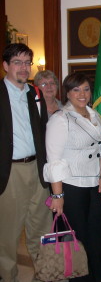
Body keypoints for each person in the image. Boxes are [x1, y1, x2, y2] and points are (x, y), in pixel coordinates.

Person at [43, 72, 101, 282]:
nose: (82, 94)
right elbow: (53, 160)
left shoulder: (95, 115)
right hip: (71, 187)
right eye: (76, 89)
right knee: (77, 239)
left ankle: (97, 276)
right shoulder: (60, 119)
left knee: (99, 233)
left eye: (86, 89)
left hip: (95, 185)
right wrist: (57, 196)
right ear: (68, 93)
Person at [0, 43, 52, 282]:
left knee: (41, 229)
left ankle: (45, 275)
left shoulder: (35, 93)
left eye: (26, 62)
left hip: (37, 169)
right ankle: (7, 276)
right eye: (17, 62)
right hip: (10, 172)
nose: (23, 68)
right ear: (6, 66)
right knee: (8, 234)